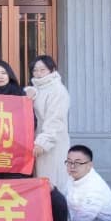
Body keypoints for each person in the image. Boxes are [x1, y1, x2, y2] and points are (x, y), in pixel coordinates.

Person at [26, 54, 71, 195]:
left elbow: (55, 121)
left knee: (52, 182)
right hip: (37, 142)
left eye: (42, 70)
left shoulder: (57, 90)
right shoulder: (37, 89)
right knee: (41, 182)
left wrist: (43, 142)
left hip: (52, 144)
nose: (38, 74)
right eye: (35, 70)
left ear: (52, 70)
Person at [0, 60, 31, 179]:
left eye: (3, 73)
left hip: (16, 147)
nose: (0, 76)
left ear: (9, 75)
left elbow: (31, 121)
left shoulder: (20, 94)